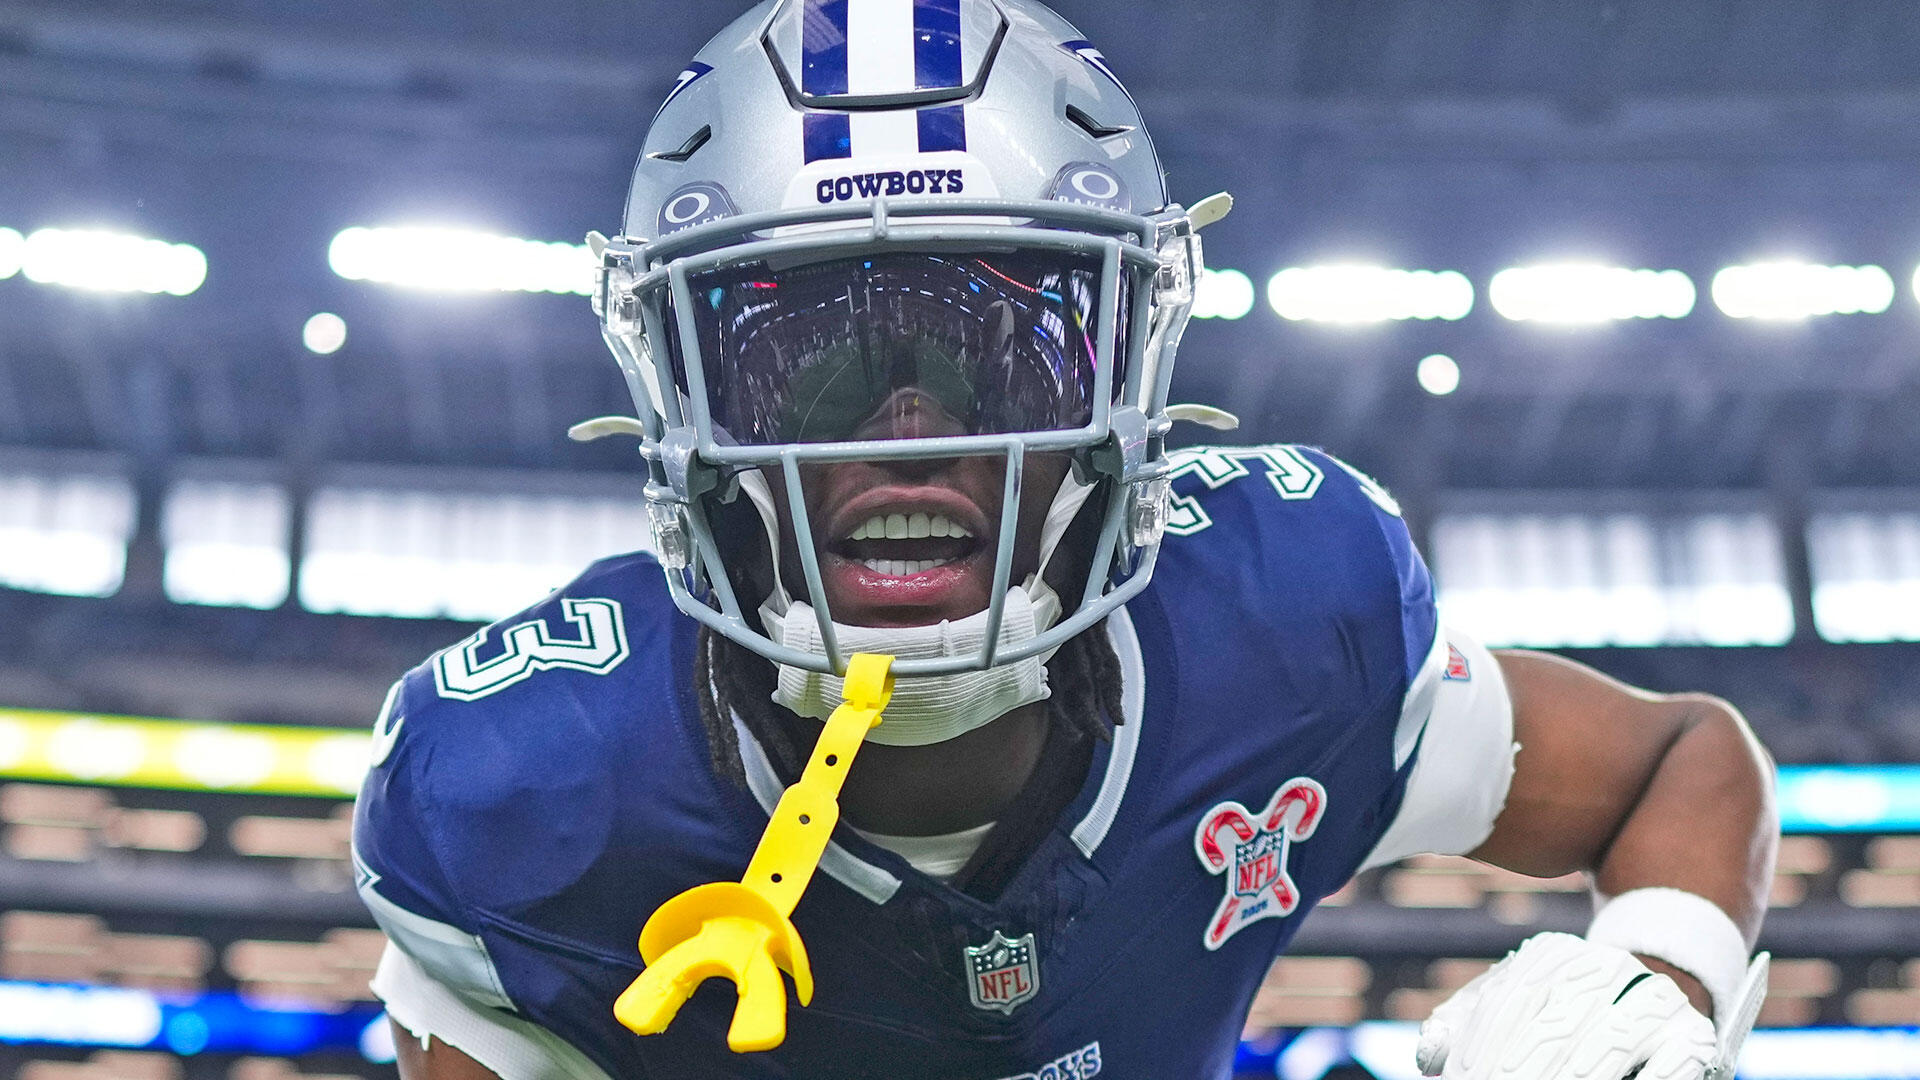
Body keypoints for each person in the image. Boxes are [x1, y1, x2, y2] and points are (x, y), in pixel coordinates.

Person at [351, 2, 1779, 1078]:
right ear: (681, 399)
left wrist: (1648, 992)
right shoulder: (523, 791)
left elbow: (1681, 761)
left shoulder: (1291, 620)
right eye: (810, 365)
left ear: (1129, 380)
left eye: (999, 354)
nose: (908, 432)